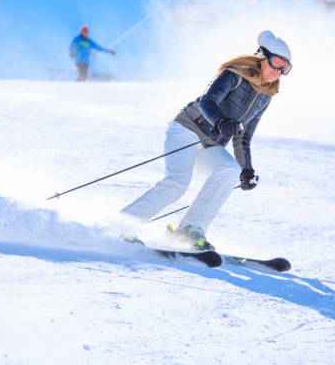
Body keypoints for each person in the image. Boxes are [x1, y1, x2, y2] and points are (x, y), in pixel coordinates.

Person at [121, 30, 292, 252]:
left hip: (211, 144)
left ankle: (190, 230)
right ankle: (123, 226)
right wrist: (220, 121)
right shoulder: (235, 74)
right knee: (177, 183)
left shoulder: (265, 96)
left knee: (229, 170)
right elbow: (207, 101)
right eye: (277, 63)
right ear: (262, 57)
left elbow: (244, 137)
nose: (279, 71)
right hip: (187, 129)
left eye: (286, 68)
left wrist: (246, 169)